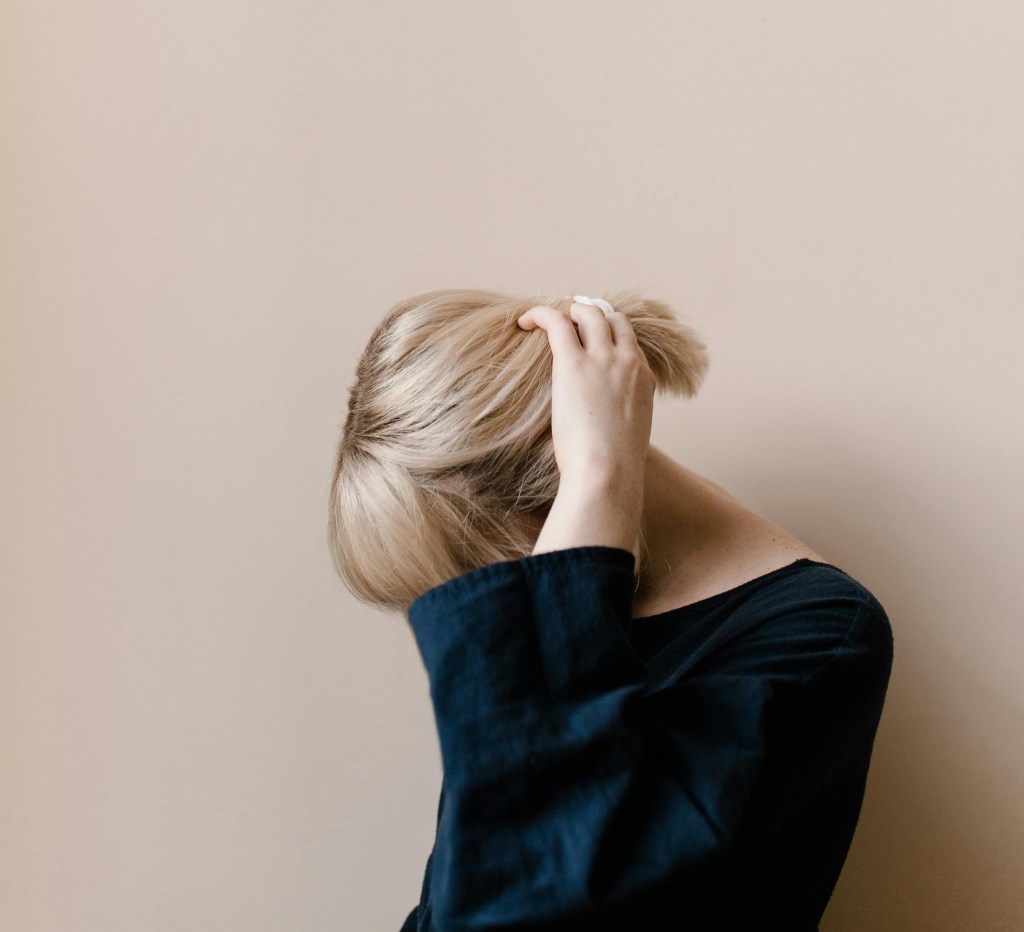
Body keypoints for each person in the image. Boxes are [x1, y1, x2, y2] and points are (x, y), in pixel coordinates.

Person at [328, 291, 893, 931]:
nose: (491, 610)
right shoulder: (556, 650)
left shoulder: (821, 634)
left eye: (477, 573)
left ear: (554, 492)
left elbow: (533, 895)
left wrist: (598, 475)